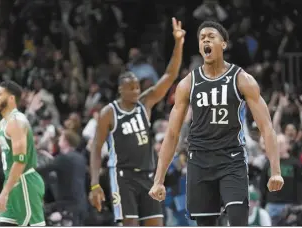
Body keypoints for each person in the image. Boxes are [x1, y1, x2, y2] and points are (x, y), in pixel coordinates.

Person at [149, 21, 284, 226]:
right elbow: (172, 134)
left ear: (224, 44)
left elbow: (266, 127)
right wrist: (158, 179)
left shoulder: (242, 79)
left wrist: (275, 171)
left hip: (231, 159)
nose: (206, 40)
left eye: (211, 36)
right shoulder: (188, 84)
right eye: (202, 38)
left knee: (239, 222)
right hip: (199, 161)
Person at [89, 17, 185, 226]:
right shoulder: (109, 112)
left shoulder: (145, 104)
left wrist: (178, 44)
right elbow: (96, 148)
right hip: (122, 176)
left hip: (147, 175)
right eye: (130, 88)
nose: (135, 91)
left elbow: (170, 76)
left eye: (137, 87)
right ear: (120, 90)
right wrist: (95, 184)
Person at [0, 80, 45, 226]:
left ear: (11, 98)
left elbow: (20, 161)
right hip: (12, 183)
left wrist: (4, 192)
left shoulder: (16, 121)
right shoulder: (4, 122)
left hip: (24, 182)